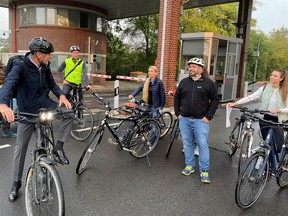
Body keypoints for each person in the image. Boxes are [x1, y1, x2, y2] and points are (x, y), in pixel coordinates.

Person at [0, 37, 73, 202]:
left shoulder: (45, 67)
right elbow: (8, 84)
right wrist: (3, 105)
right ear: (39, 54)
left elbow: (52, 84)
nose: (51, 57)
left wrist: (61, 95)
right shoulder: (21, 66)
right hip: (27, 112)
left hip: (45, 105)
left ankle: (58, 148)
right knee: (20, 148)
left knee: (69, 113)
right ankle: (15, 184)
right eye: (49, 54)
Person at [174, 57, 219, 184]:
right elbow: (177, 97)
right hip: (185, 119)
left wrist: (209, 116)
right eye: (190, 66)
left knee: (202, 145)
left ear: (200, 68)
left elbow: (215, 100)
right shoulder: (184, 82)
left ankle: (204, 170)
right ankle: (190, 166)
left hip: (201, 120)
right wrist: (178, 113)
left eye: (193, 66)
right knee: (187, 144)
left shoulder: (208, 83)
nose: (190, 68)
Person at [227, 69, 288, 151]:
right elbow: (251, 97)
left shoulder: (285, 91)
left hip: (279, 121)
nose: (272, 77)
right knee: (267, 144)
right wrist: (236, 103)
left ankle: (275, 162)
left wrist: (279, 110)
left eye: (275, 76)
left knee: (278, 147)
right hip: (265, 119)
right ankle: (266, 162)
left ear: (281, 78)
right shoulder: (265, 88)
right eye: (271, 75)